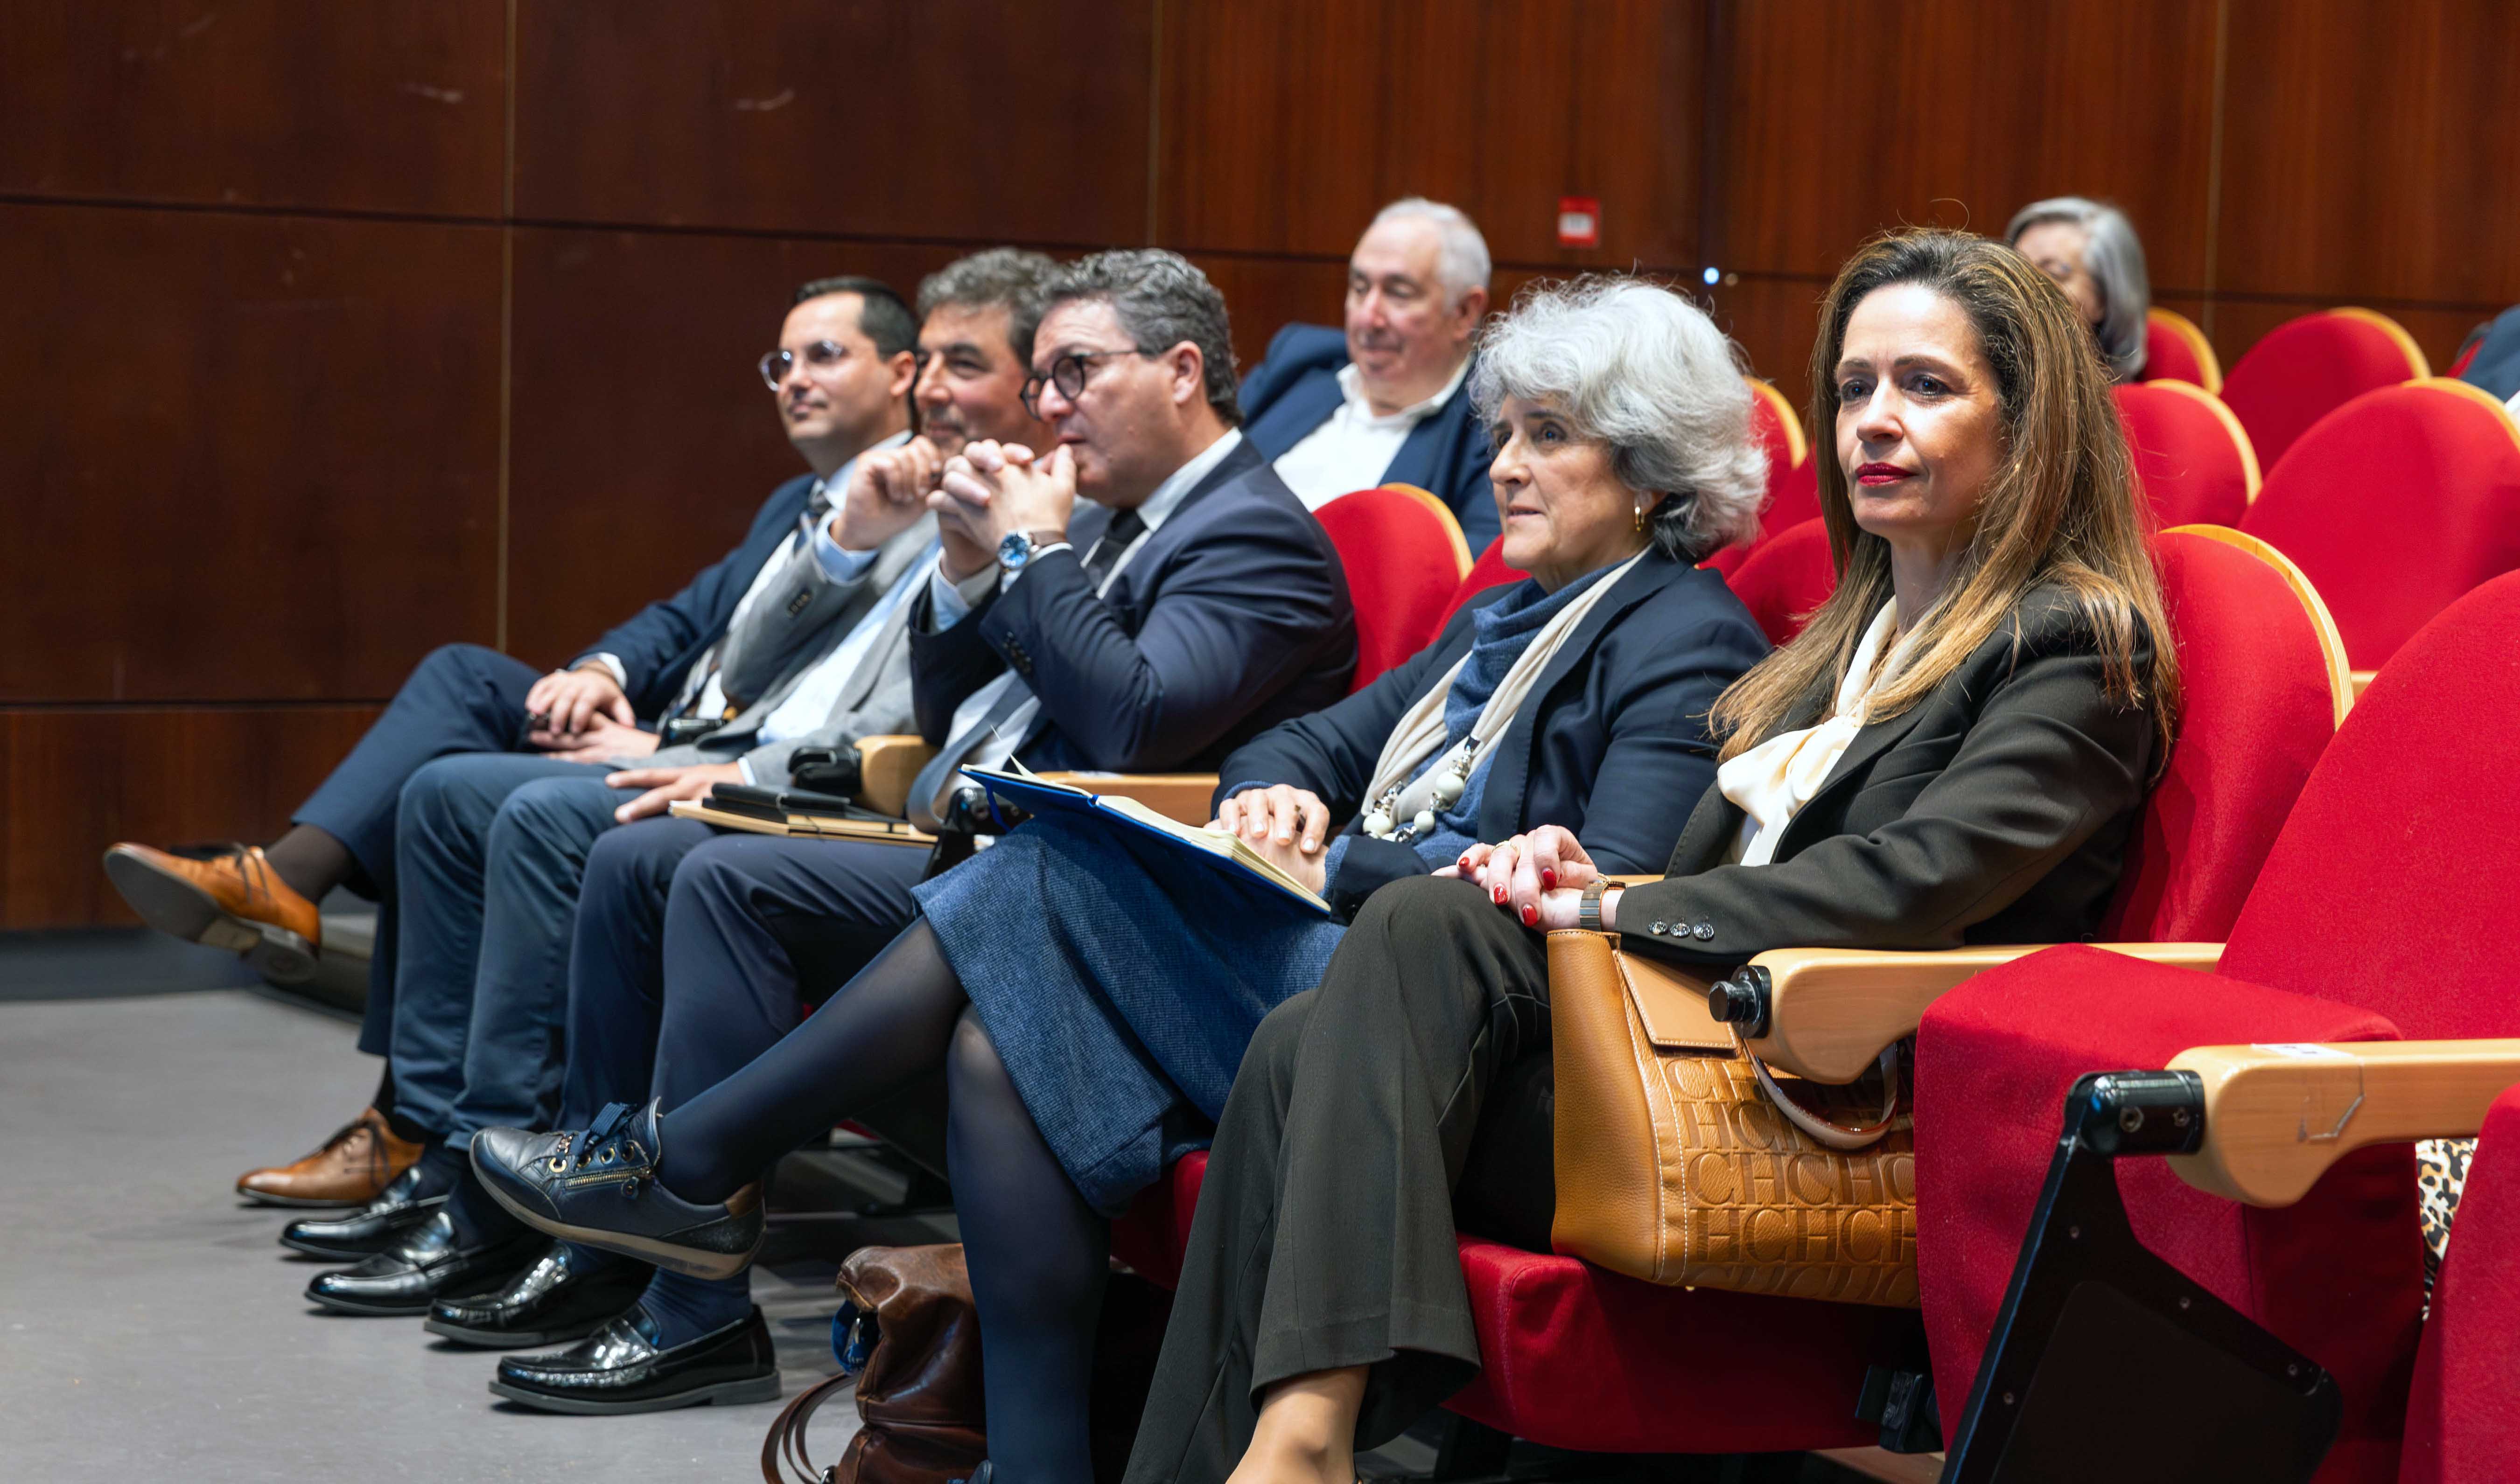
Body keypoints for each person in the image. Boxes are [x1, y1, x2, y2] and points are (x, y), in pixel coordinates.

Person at [468, 276, 1773, 1453]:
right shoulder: (1506, 616)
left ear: (1653, 473)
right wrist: (1275, 798)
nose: (1506, 468)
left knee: (1046, 873)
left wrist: (1335, 852)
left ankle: (689, 1162)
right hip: (1339, 955)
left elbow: (1593, 900)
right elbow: (1307, 740)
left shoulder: (1682, 636)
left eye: (1549, 437)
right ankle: (1032, 1454)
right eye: (1503, 434)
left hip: (1428, 1036)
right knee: (998, 1045)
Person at [1119, 227, 2183, 1484]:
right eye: (1853, 388)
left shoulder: (2074, 648)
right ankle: (1260, 1454)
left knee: (1415, 932)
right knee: (1310, 1039)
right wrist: (1572, 873)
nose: (1874, 422)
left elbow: (1912, 882)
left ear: (2033, 422)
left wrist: (1611, 901)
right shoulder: (1835, 647)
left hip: (1847, 1109)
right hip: (1707, 1060)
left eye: (1927, 386)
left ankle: (1303, 1437)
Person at [452, 247, 1362, 1414]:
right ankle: (641, 1259)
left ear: (1183, 371)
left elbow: (1130, 724)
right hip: (990, 845)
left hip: (1120, 903)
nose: (1049, 405)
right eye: (1040, 379)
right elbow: (952, 711)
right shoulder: (1122, 517)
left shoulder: (1254, 534)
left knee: (727, 879)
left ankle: (671, 1225)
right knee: (669, 863)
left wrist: (1034, 553)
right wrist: (966, 567)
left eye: (1076, 371)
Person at [277, 252, 1062, 1326]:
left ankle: (522, 1191)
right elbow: (724, 643)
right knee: (454, 783)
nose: (933, 392)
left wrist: (734, 769)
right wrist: (841, 544)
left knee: (558, 817)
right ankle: (448, 1144)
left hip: (848, 797)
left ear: (1030, 390)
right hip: (732, 742)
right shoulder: (874, 492)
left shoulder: (1033, 514)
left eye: (959, 367)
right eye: (931, 365)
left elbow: (917, 729)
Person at [99, 275, 921, 1212]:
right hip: (674, 724)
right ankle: (296, 902)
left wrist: (671, 741)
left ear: (904, 372)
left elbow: (837, 704)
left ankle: (436, 1137)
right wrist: (607, 670)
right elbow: (690, 617)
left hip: (743, 762)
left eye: (824, 356)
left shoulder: (925, 507)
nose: (793, 381)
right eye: (780, 362)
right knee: (460, 685)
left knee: (449, 790)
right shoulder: (794, 503)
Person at [1241, 199, 1499, 549]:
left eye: (1398, 294)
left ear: (1465, 313)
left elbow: (1474, 573)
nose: (1368, 317)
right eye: (1360, 288)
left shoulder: (1495, 426)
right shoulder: (1300, 361)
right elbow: (1200, 470)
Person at [2007, 196, 2150, 382]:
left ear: (2103, 299)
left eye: (2051, 275)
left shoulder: (2129, 407)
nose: (2021, 288)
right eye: (2015, 271)